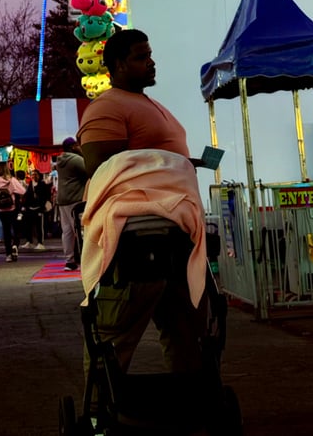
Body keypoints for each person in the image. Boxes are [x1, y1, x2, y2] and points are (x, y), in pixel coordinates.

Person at [77, 28, 204, 375]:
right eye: (141, 57)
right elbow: (100, 166)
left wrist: (178, 164)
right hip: (136, 241)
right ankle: (101, 406)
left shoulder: (148, 104)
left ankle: (190, 400)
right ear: (118, 65)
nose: (151, 62)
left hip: (175, 235)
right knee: (114, 338)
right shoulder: (106, 107)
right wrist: (166, 164)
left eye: (150, 55)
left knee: (186, 335)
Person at [56, 136, 87, 270]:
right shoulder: (75, 160)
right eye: (77, 145)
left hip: (62, 199)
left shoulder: (60, 161)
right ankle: (84, 259)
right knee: (79, 230)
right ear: (73, 147)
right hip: (75, 198)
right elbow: (89, 171)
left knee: (67, 231)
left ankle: (69, 260)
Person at [0, 161, 26, 262]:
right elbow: (23, 191)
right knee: (16, 229)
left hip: (2, 209)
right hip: (12, 208)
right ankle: (15, 245)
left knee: (6, 231)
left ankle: (8, 254)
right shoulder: (12, 180)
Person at [21, 170, 52, 251]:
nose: (34, 176)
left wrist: (42, 207)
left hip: (39, 208)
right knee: (28, 226)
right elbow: (28, 196)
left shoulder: (43, 184)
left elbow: (46, 196)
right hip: (30, 208)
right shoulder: (30, 184)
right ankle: (29, 241)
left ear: (39, 175)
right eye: (32, 174)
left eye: (35, 174)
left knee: (39, 226)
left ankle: (40, 243)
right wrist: (25, 206)